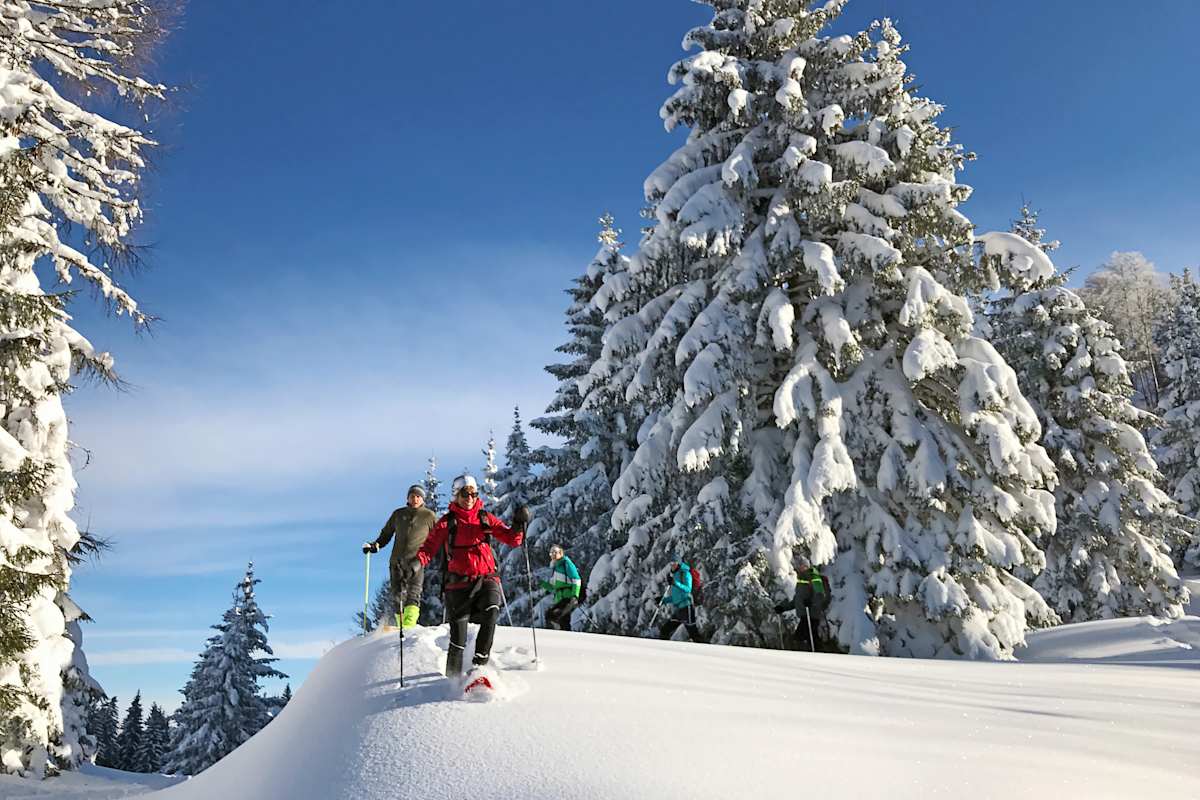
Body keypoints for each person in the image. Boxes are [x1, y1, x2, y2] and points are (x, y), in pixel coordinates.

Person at [414, 474, 525, 677]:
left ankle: (479, 665)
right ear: (457, 495)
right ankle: (452, 681)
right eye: (465, 494)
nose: (470, 498)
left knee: (492, 612)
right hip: (458, 585)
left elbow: (512, 539)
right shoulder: (447, 522)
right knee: (458, 639)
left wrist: (518, 524)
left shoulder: (485, 518)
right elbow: (429, 547)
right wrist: (416, 563)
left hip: (486, 578)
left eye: (474, 494)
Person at [362, 484, 438, 629]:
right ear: (407, 498)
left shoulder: (429, 516)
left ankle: (409, 625)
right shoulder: (398, 514)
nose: (415, 499)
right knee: (397, 595)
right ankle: (401, 624)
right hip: (396, 561)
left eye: (418, 496)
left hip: (416, 561)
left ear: (423, 499)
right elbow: (386, 534)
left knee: (413, 593)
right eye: (412, 496)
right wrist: (375, 545)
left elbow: (438, 537)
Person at [774, 556, 831, 651]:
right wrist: (783, 607)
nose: (800, 568)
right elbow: (797, 600)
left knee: (800, 637)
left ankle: (808, 655)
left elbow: (820, 595)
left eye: (802, 566)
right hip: (805, 615)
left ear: (807, 566)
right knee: (810, 638)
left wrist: (811, 602)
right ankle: (817, 655)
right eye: (799, 566)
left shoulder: (814, 577)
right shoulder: (801, 580)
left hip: (812, 614)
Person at [659, 555, 704, 643]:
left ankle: (707, 649)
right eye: (671, 563)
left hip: (687, 607)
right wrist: (663, 600)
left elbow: (688, 589)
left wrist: (675, 583)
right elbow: (676, 597)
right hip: (679, 609)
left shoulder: (685, 573)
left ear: (679, 563)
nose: (672, 565)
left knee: (693, 633)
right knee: (665, 630)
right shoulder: (675, 575)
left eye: (674, 562)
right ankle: (663, 649)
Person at [540, 543, 581, 630]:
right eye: (551, 553)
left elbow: (576, 579)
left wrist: (575, 596)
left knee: (552, 615)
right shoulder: (556, 568)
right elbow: (553, 587)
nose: (553, 555)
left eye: (555, 552)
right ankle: (563, 634)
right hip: (560, 598)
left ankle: (560, 633)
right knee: (562, 620)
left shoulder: (566, 563)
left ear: (561, 553)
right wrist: (542, 583)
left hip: (567, 597)